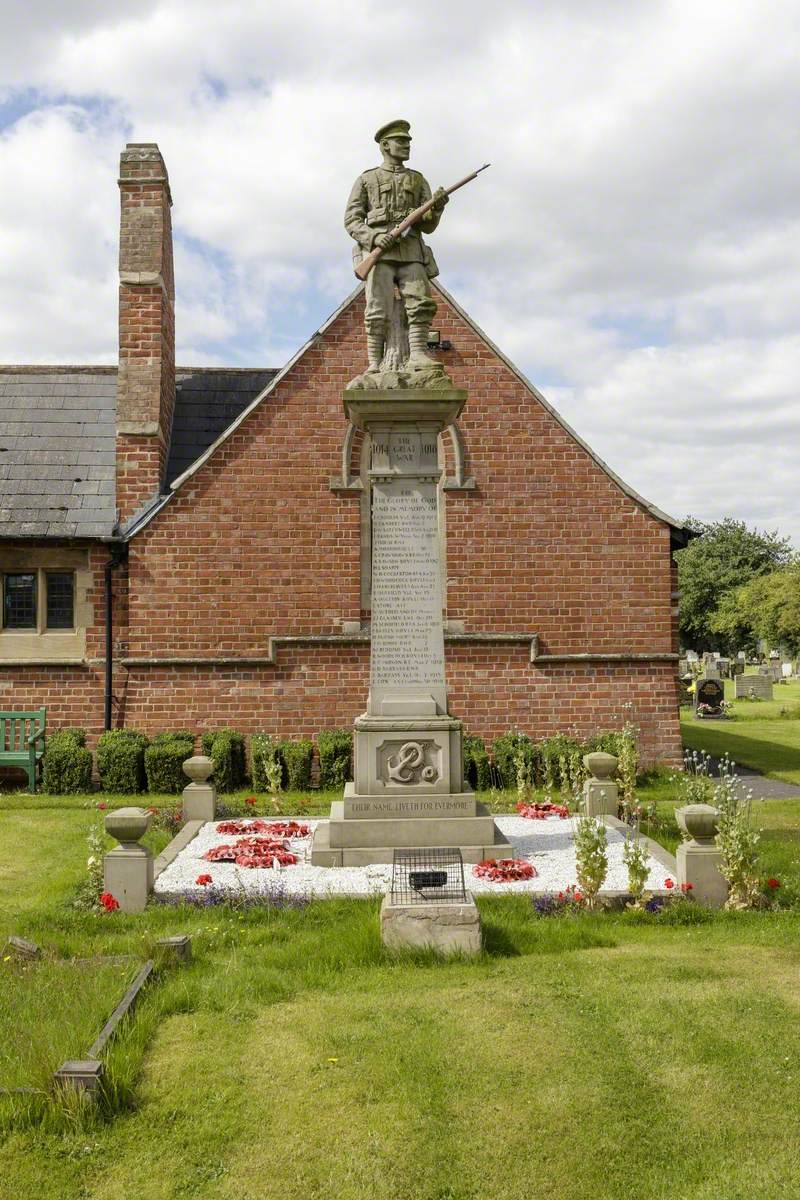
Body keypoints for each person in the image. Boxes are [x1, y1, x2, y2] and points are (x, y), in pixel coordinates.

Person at [344, 119, 448, 376]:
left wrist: (438, 208)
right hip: (380, 253)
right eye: (401, 141)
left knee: (420, 302)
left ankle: (418, 354)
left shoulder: (417, 179)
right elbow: (352, 220)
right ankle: (374, 363)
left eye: (408, 141)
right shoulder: (367, 179)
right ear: (384, 145)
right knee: (377, 306)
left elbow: (428, 226)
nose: (406, 145)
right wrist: (373, 238)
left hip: (411, 250)